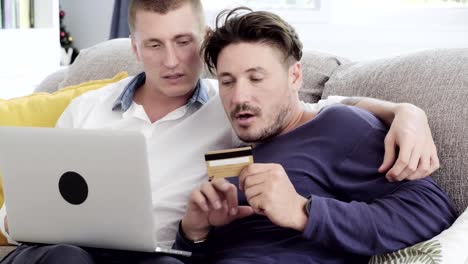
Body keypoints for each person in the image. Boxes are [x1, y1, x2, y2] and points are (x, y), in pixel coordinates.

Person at [0, 0, 440, 263]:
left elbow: (319, 112)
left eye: (183, 42)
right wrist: (195, 232)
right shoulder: (86, 108)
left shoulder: (252, 116)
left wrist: (407, 111)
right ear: (135, 48)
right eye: (154, 45)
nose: (171, 61)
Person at [175, 7, 457, 264]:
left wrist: (302, 211)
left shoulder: (338, 127)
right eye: (227, 81)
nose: (239, 96)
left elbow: (431, 211)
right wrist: (194, 232)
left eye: (256, 78)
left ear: (295, 77)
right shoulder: (228, 151)